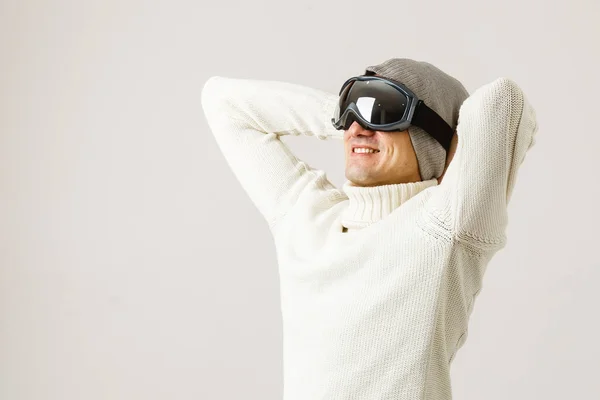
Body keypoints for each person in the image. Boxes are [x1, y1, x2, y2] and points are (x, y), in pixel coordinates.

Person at [200, 58, 538, 400]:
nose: (357, 129)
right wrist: (343, 115)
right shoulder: (305, 217)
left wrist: (448, 156)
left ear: (432, 138)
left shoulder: (447, 224)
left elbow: (502, 101)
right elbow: (222, 102)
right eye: (352, 111)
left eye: (383, 112)